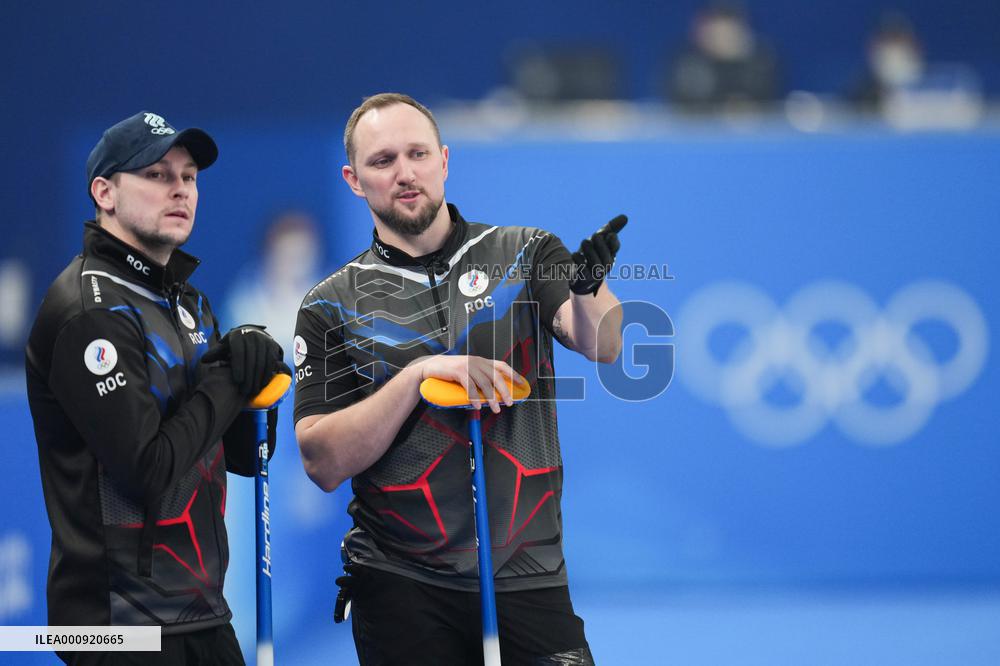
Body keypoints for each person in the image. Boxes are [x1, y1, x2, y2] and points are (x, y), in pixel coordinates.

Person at [293, 93, 625, 665]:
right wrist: (419, 376)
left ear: (444, 160)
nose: (405, 173)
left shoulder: (525, 252)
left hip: (528, 571)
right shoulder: (329, 306)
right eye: (383, 161)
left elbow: (604, 344)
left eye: (418, 153)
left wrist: (586, 288)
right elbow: (322, 462)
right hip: (401, 584)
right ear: (353, 179)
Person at [25, 111, 287, 665]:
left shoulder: (187, 301)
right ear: (105, 193)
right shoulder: (87, 310)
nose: (180, 190)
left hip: (200, 612)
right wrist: (226, 378)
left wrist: (256, 381)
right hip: (117, 628)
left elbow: (244, 456)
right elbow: (147, 470)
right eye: (157, 174)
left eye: (189, 177)